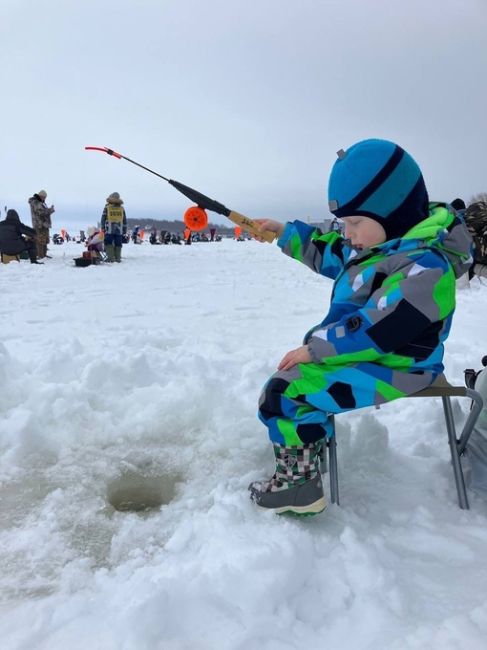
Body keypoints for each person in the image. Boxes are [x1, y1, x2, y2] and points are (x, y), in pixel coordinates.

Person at [251, 138, 473, 516]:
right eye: (344, 223)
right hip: (370, 355)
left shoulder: (425, 268)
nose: (348, 233)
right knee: (290, 381)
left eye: (355, 223)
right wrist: (283, 233)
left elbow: (377, 329)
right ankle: (306, 453)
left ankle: (297, 488)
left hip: (400, 366)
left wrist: (317, 349)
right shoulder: (378, 250)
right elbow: (331, 252)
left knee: (284, 391)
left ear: (394, 213)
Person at [28, 190, 55, 259]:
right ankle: (40, 255)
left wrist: (48, 210)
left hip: (43, 225)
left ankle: (44, 254)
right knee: (40, 240)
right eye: (44, 197)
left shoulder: (40, 203)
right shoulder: (36, 202)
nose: (44, 199)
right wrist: (50, 210)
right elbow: (41, 212)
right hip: (39, 225)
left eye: (45, 197)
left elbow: (42, 211)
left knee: (44, 240)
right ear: (40, 196)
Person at [101, 192, 127, 262]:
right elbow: (124, 220)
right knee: (118, 243)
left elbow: (103, 218)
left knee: (108, 242)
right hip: (119, 229)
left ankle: (110, 258)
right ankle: (118, 258)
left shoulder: (107, 207)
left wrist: (102, 227)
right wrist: (124, 230)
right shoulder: (121, 208)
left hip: (109, 229)